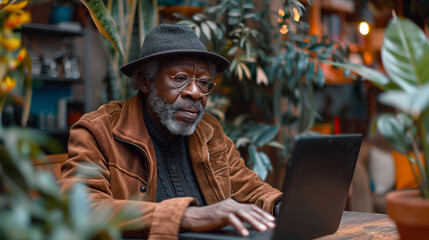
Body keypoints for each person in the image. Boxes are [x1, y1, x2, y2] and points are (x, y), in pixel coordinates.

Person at [59, 24, 282, 240]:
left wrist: (281, 206)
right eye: (180, 78)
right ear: (147, 83)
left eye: (203, 82)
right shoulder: (97, 131)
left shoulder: (210, 131)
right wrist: (186, 216)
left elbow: (250, 189)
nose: (196, 93)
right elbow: (80, 208)